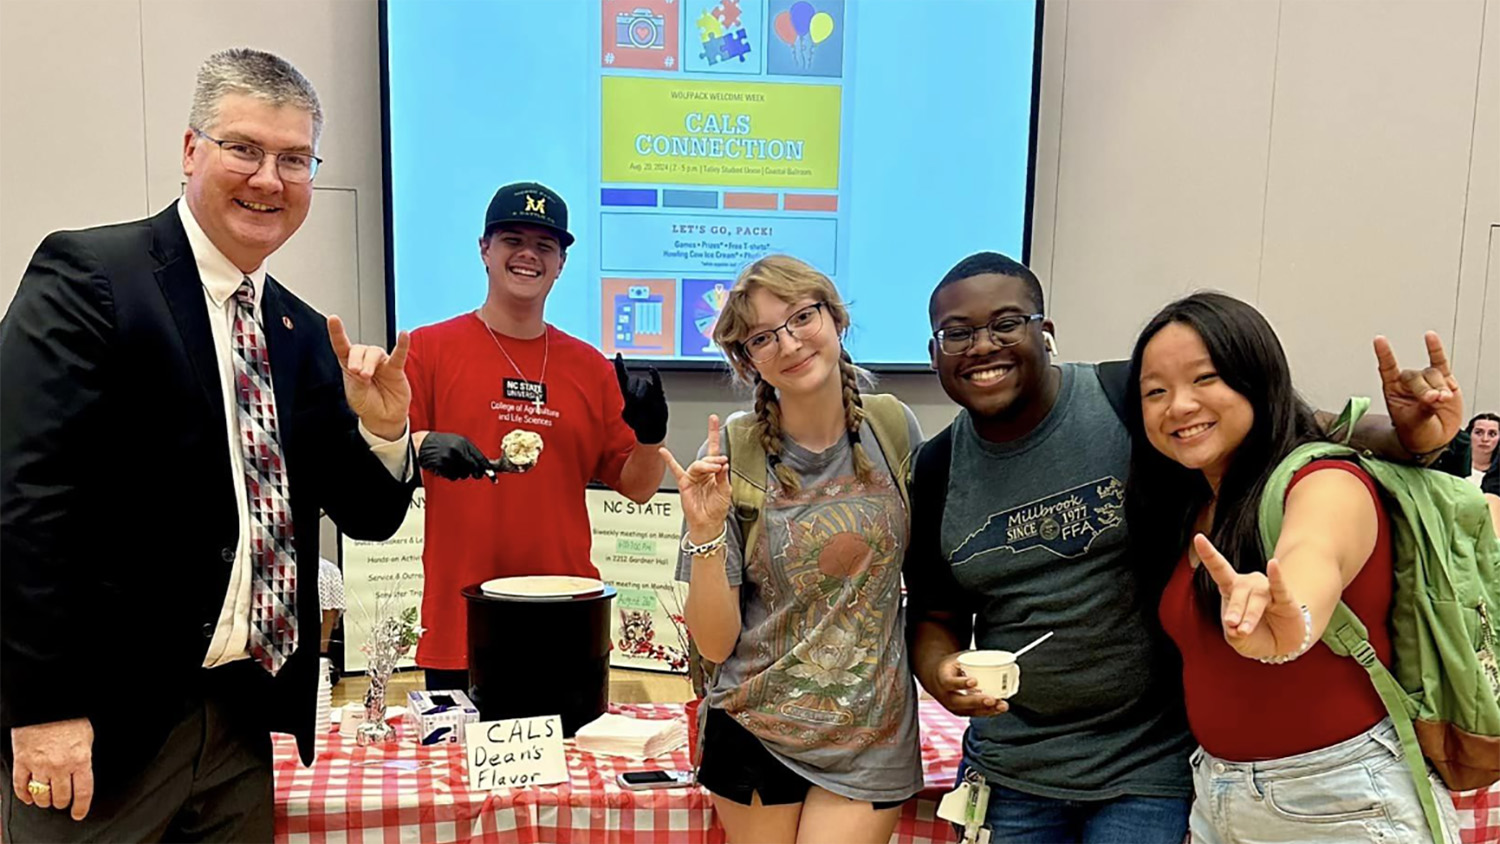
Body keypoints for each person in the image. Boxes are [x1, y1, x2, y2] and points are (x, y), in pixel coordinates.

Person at [902, 252, 1464, 843]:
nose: (982, 345)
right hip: (1016, 772)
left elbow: (1296, 432)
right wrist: (942, 673)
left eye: (1006, 323)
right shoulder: (937, 467)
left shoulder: (1123, 395)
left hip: (1154, 769)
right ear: (935, 352)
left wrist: (1409, 436)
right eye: (956, 333)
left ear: (1046, 334)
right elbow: (935, 613)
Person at [0, 48, 415, 842]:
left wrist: (386, 429)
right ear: (192, 151)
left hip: (238, 723)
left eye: (295, 159)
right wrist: (45, 710)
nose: (270, 179)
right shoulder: (92, 278)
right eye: (244, 148)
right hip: (102, 730)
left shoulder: (296, 328)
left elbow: (367, 514)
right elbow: (25, 503)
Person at [1123, 291, 1462, 843]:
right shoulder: (1192, 503)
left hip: (1341, 799)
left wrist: (1291, 618)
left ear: (1257, 378)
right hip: (1220, 793)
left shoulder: (1324, 481)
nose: (1177, 406)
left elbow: (1312, 559)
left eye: (1205, 379)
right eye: (1154, 391)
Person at [663, 255, 924, 844]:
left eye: (802, 317)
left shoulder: (892, 427)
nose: (789, 343)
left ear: (835, 319)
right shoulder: (736, 448)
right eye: (762, 337)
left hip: (870, 734)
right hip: (756, 726)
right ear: (747, 359)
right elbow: (713, 642)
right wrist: (704, 535)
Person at [403, 182, 668, 691]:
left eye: (545, 246)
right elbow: (391, 453)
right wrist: (426, 444)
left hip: (566, 614)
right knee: (458, 772)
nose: (528, 256)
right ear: (485, 249)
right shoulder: (427, 350)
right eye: (512, 240)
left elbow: (637, 486)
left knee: (574, 768)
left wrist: (651, 436)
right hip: (464, 616)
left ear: (562, 262)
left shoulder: (590, 367)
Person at [1463, 413, 1498, 492]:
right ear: (1469, 434)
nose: (1485, 439)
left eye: (1492, 434)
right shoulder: (1451, 466)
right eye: (1478, 432)